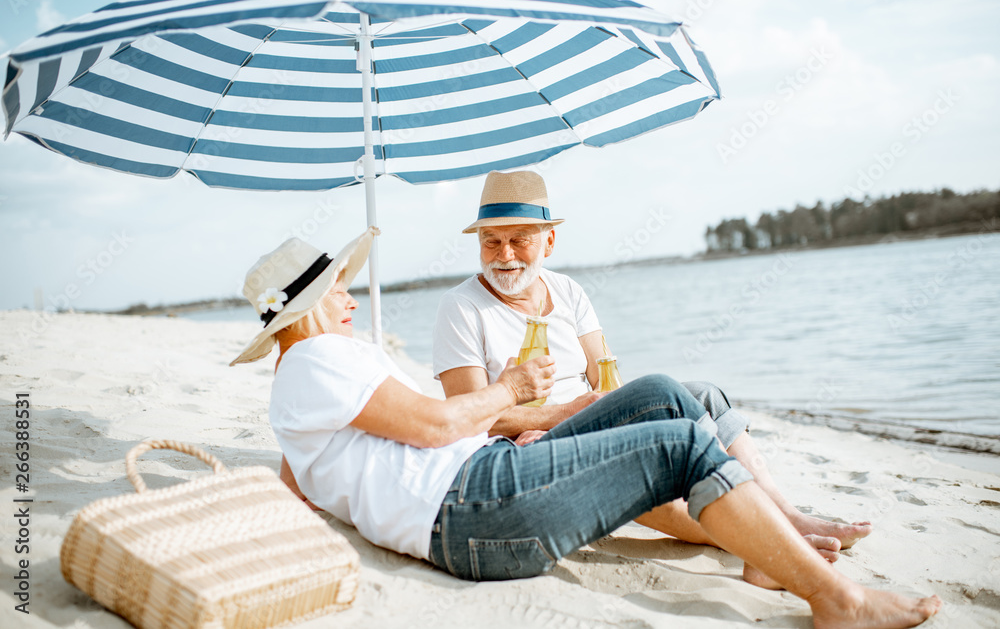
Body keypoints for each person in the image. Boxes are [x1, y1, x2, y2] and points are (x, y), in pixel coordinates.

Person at [230, 227, 940, 627]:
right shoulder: (317, 356)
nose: (350, 297)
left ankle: (767, 552)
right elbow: (430, 425)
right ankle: (837, 601)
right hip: (474, 507)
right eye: (339, 287)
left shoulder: (299, 381)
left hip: (478, 490)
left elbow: (304, 483)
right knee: (680, 442)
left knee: (660, 393)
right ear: (310, 306)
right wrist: (510, 388)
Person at [433, 170, 872, 551]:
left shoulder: (567, 291)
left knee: (702, 394)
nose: (504, 255)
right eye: (492, 241)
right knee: (657, 402)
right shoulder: (461, 308)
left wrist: (608, 407)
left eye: (518, 240)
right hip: (529, 446)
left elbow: (605, 373)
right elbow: (471, 419)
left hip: (588, 415)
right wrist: (562, 415)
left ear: (548, 241)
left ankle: (783, 514)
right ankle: (755, 535)